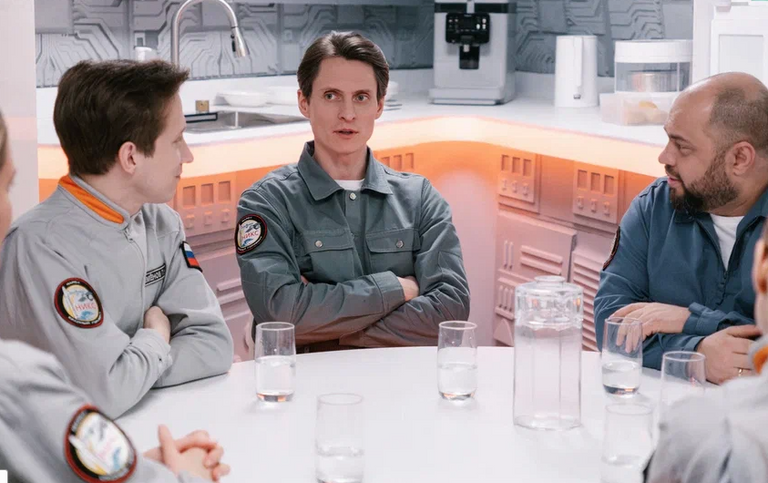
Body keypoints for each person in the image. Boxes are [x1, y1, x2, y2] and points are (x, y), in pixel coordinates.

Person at [0, 110, 230, 482]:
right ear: (130, 156)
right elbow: (105, 391)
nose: (187, 155)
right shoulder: (38, 245)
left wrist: (126, 373)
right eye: (7, 187)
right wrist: (155, 337)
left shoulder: (161, 221)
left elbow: (214, 346)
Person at [236, 32, 470, 352]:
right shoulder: (267, 202)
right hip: (311, 380)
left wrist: (326, 331)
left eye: (361, 97)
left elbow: (450, 312)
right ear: (304, 102)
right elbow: (280, 314)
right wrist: (395, 289)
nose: (347, 113)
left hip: (402, 375)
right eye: (331, 95)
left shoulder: (421, 198)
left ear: (379, 105)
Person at [595, 72, 768, 383]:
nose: (664, 157)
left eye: (682, 147)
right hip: (662, 406)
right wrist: (695, 354)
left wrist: (689, 319)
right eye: (668, 139)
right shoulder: (654, 207)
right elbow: (611, 327)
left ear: (740, 158)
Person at [644, 214, 768, 483]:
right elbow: (615, 320)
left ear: (762, 265)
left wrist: (691, 320)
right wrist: (697, 349)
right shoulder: (650, 207)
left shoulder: (699, 432)